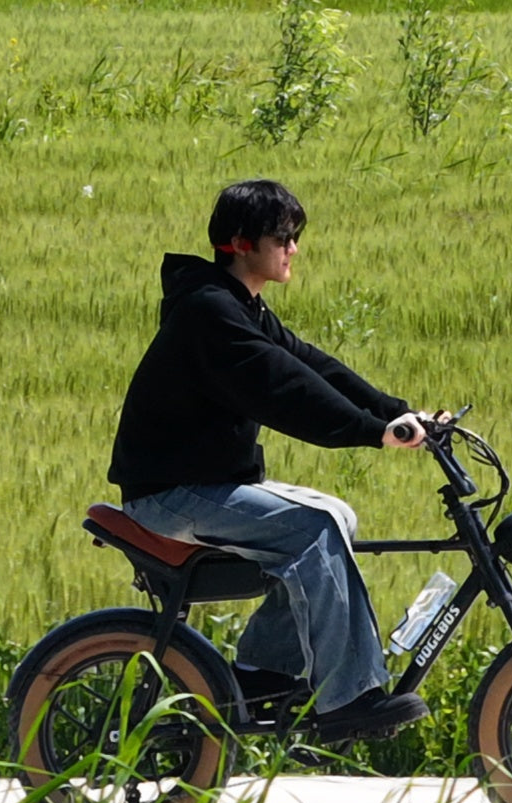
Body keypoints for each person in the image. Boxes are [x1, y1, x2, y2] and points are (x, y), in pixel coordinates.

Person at [108, 179, 430, 743]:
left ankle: (260, 673)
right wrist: (372, 432)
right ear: (239, 242)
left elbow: (312, 365)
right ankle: (347, 697)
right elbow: (284, 389)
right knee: (314, 529)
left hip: (202, 484)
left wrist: (400, 412)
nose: (294, 249)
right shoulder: (210, 313)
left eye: (295, 236)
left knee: (339, 517)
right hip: (170, 494)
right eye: (283, 236)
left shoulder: (239, 306)